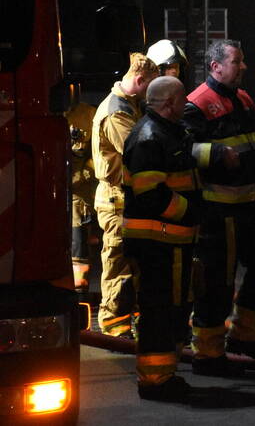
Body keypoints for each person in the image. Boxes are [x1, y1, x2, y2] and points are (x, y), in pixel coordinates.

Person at [184, 39, 255, 375]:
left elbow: (254, 144)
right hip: (218, 212)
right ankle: (208, 355)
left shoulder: (241, 98)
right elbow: (182, 151)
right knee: (216, 285)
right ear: (216, 67)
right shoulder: (196, 105)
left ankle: (245, 337)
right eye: (237, 61)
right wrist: (212, 154)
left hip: (252, 207)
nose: (243, 67)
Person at [121, 76, 202, 401]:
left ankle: (164, 374)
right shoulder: (148, 138)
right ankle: (154, 381)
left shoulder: (167, 133)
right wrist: (191, 211)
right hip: (156, 245)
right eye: (182, 100)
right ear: (169, 104)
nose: (186, 105)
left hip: (171, 243)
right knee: (158, 311)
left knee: (173, 309)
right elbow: (149, 195)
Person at [92, 52, 160, 337]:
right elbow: (138, 152)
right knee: (118, 263)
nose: (152, 94)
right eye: (151, 86)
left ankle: (125, 320)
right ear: (139, 79)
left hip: (124, 197)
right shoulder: (117, 111)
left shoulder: (129, 105)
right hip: (116, 198)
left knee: (132, 263)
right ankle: (114, 325)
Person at [67, 99, 98, 298]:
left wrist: (80, 177)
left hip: (78, 198)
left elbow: (99, 155)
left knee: (78, 248)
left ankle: (79, 295)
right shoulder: (40, 114)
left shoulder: (89, 115)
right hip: (48, 194)